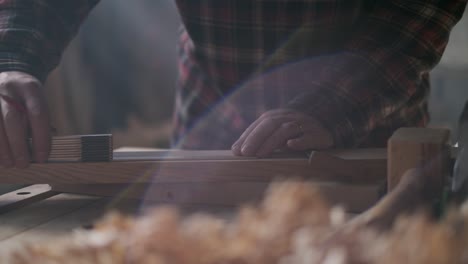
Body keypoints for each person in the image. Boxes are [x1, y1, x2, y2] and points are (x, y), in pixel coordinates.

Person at [0, 1, 466, 168]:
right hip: (211, 119)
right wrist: (11, 60)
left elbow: (415, 13)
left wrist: (334, 105)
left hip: (366, 127)